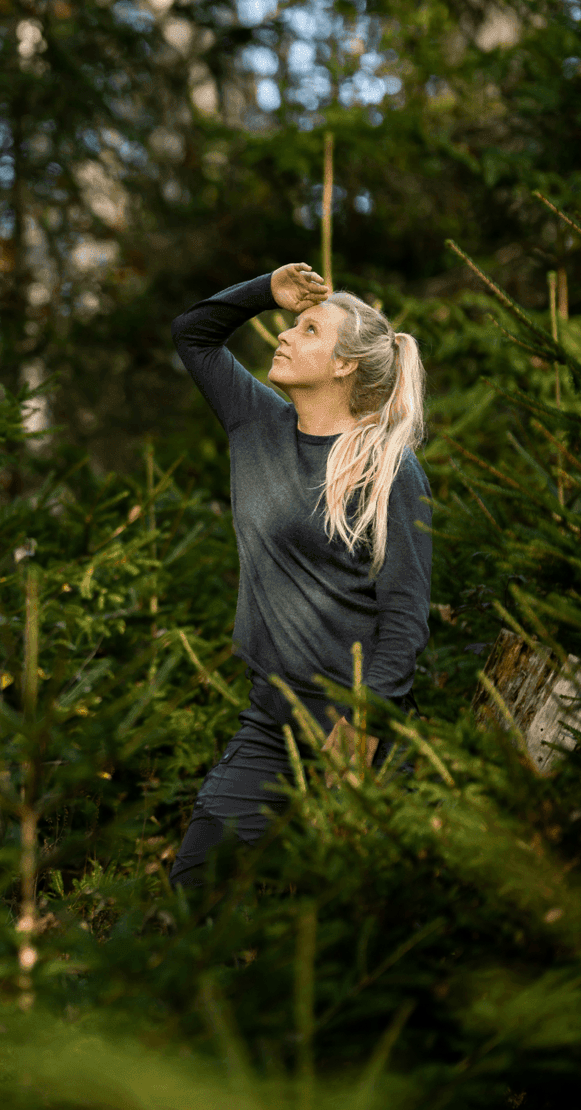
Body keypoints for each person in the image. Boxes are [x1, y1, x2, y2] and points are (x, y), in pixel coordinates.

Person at [167, 262, 432, 887]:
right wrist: (266, 291)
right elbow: (193, 333)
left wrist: (363, 725)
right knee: (195, 886)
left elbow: (405, 616)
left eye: (308, 330)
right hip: (270, 719)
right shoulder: (253, 425)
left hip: (359, 728)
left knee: (355, 915)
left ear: (344, 365)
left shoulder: (388, 468)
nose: (284, 335)